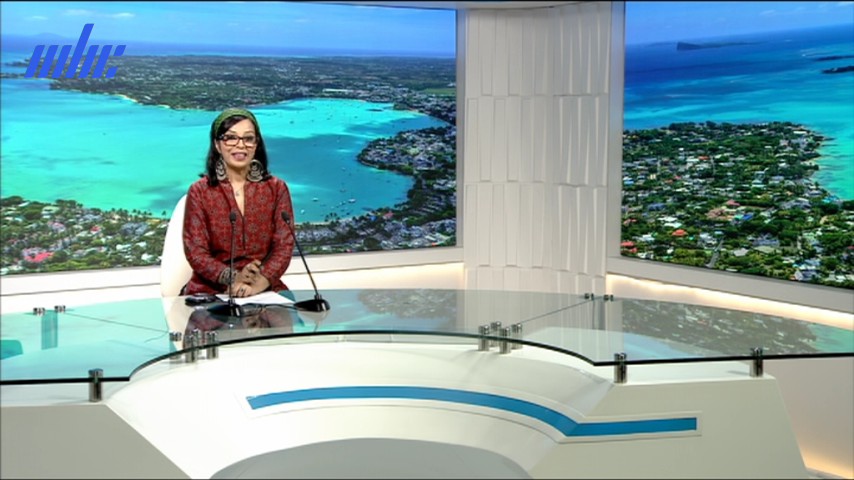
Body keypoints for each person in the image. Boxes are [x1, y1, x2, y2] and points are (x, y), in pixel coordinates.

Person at [181, 107, 295, 298]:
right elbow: (196, 252)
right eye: (231, 138)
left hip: (264, 286)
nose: (240, 145)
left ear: (256, 144)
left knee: (295, 316)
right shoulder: (200, 191)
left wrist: (259, 283)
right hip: (212, 290)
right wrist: (234, 278)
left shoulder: (276, 189)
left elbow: (284, 246)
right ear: (217, 145)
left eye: (248, 138)